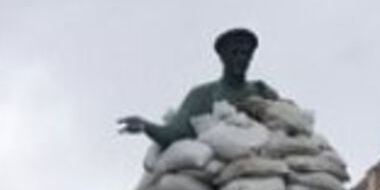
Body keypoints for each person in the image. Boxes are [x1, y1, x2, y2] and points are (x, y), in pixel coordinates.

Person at [118, 27, 278, 148]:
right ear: (223, 57)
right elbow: (175, 133)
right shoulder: (203, 95)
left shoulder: (262, 91)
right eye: (235, 52)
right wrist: (146, 126)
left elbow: (289, 123)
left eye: (246, 53)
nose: (241, 58)